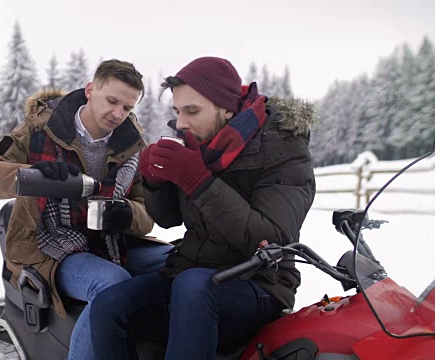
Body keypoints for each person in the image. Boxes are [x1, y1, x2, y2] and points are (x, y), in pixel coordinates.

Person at [89, 56, 317, 360]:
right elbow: (168, 219)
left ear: (226, 108)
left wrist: (198, 181)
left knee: (194, 285)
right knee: (109, 305)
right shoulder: (202, 143)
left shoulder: (282, 150)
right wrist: (155, 181)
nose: (181, 123)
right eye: (178, 111)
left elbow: (272, 239)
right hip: (190, 275)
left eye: (192, 111)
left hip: (260, 284)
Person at [0, 59, 173, 359]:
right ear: (90, 90)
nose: (118, 114)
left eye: (127, 108)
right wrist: (33, 175)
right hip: (48, 246)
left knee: (180, 264)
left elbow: (145, 214)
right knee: (111, 283)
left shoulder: (133, 147)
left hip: (112, 243)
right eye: (112, 101)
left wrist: (128, 214)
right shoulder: (39, 132)